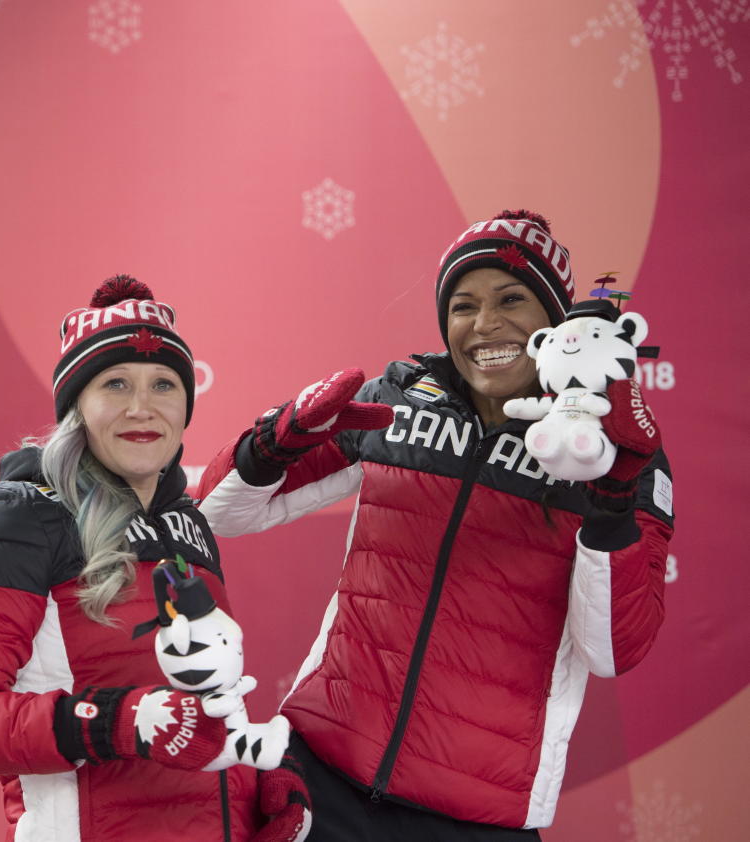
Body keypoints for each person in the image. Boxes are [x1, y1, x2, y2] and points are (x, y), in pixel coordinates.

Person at [197, 210, 675, 841]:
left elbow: (614, 650)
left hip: (478, 816)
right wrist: (271, 441)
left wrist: (611, 500)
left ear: (557, 325)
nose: (484, 325)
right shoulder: (397, 400)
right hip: (322, 774)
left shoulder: (616, 451)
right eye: (463, 305)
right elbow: (220, 513)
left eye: (512, 299)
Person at [0, 276, 311, 842]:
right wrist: (117, 721)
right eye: (116, 384)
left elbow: (202, 706)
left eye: (163, 385)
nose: (141, 408)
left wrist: (263, 780)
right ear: (76, 404)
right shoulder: (15, 518)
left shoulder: (187, 522)